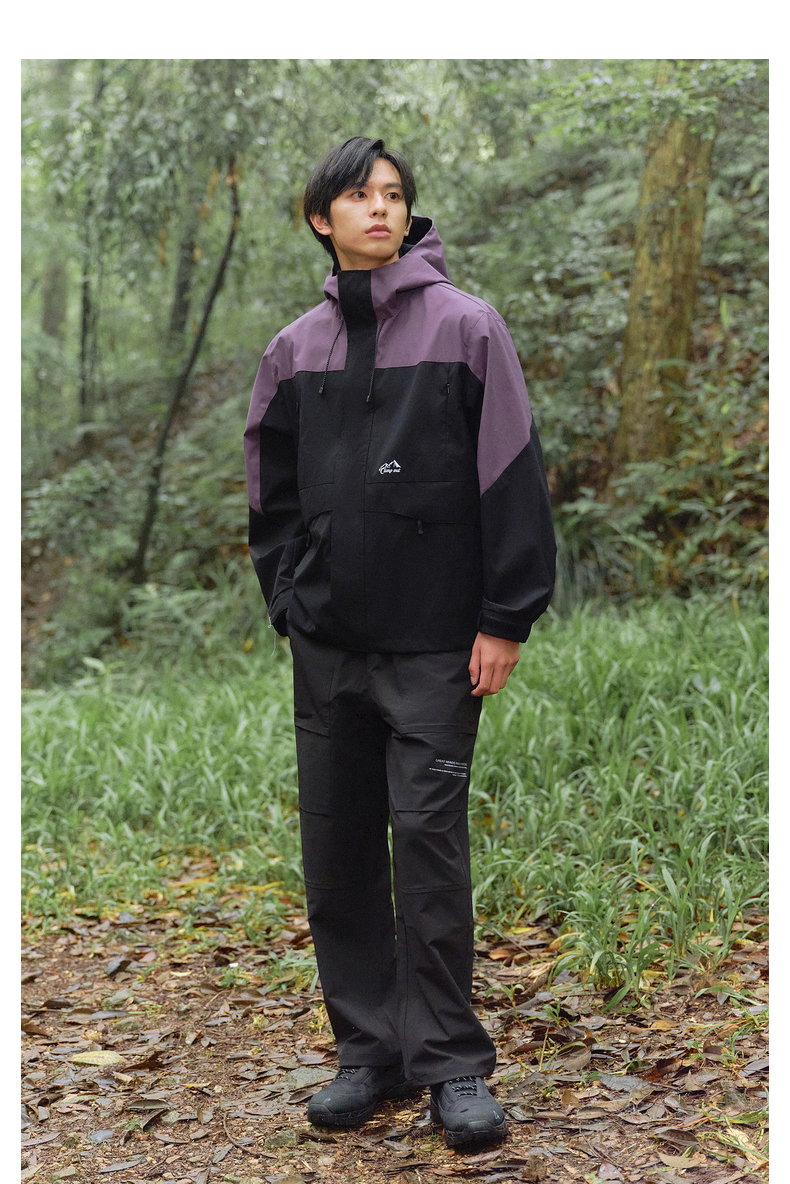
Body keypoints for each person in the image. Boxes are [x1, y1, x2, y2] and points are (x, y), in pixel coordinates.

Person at [244, 136, 556, 1147]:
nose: (380, 208)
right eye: (358, 195)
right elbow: (268, 490)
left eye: (393, 194)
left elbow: (511, 471)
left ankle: (452, 1064)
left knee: (427, 848)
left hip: (435, 646)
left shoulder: (468, 327)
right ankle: (368, 1053)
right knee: (336, 853)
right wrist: (290, 600)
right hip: (329, 646)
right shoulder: (294, 349)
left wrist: (504, 616)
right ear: (320, 218)